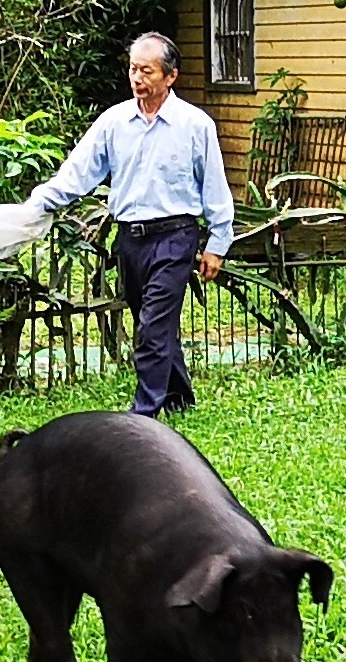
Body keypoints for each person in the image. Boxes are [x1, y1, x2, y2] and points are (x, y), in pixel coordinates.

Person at [29, 32, 235, 418]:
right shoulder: (114, 122)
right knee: (153, 321)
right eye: (133, 69)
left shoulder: (195, 125)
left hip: (176, 235)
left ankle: (145, 414)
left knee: (153, 326)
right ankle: (178, 396)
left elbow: (214, 188)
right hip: (131, 239)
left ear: (170, 76)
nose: (137, 78)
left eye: (147, 70)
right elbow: (79, 172)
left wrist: (217, 243)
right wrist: (38, 204)